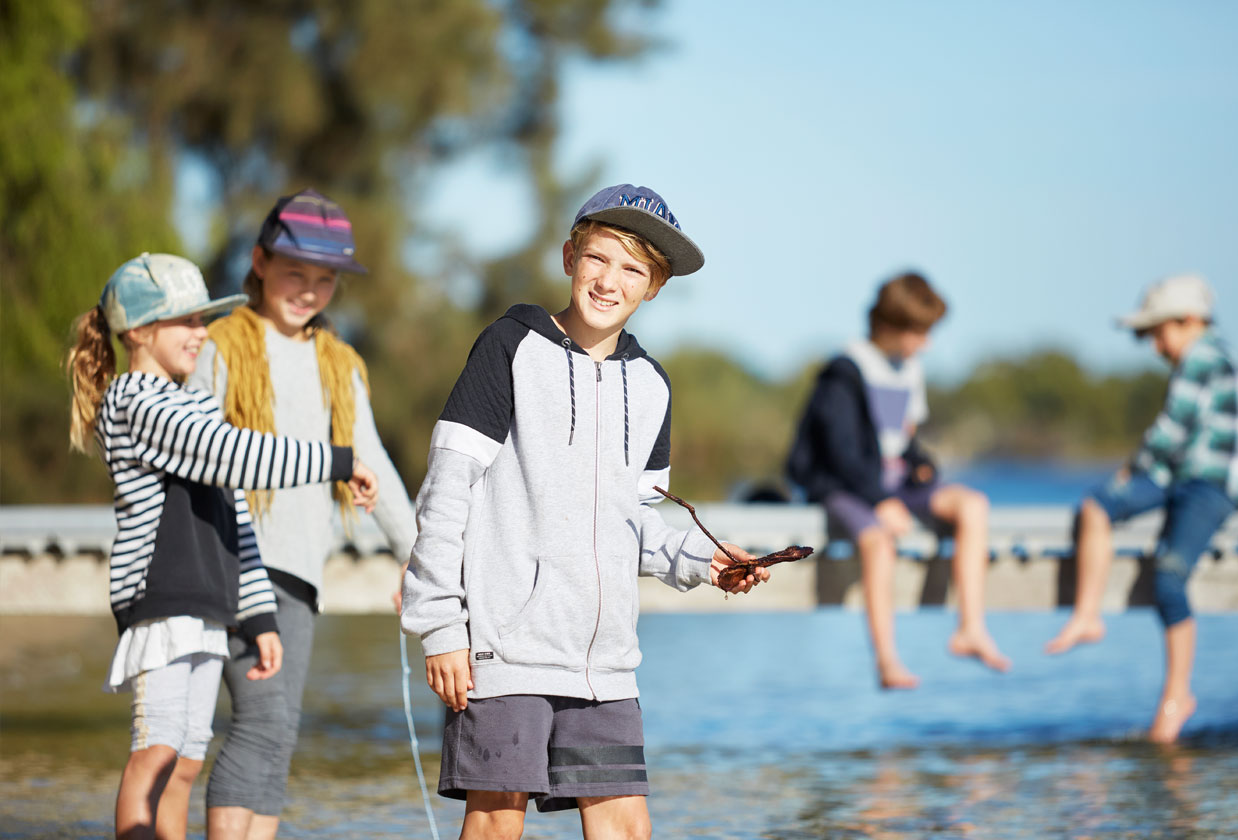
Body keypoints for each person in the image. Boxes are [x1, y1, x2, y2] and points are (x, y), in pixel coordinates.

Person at [400, 184, 768, 840]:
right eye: (598, 258)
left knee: (627, 827)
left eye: (633, 269)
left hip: (605, 663)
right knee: (494, 824)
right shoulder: (509, 344)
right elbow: (446, 490)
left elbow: (639, 522)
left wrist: (705, 560)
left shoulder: (652, 385)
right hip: (502, 650)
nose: (610, 280)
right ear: (570, 256)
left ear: (653, 287)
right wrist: (440, 628)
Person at [66, 252, 378, 840]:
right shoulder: (135, 402)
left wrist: (257, 613)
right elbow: (234, 453)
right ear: (137, 331)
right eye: (185, 321)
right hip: (159, 600)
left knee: (186, 760)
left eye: (202, 321)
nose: (200, 334)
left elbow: (234, 517)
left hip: (208, 604)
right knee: (155, 750)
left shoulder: (193, 404)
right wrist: (338, 460)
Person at [186, 189, 417, 840]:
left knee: (280, 733)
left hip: (300, 572)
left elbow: (372, 461)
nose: (309, 290)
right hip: (233, 560)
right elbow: (198, 454)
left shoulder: (340, 364)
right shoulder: (221, 344)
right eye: (294, 272)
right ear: (259, 261)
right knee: (258, 721)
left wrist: (419, 559)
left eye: (325, 280)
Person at [1046, 273, 1238, 743]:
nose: (1155, 345)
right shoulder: (1195, 359)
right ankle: (1087, 615)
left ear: (1189, 321)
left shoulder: (1205, 357)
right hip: (1179, 476)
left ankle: (1177, 695)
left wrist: (1130, 469)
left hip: (1212, 481)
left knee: (1168, 572)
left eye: (1159, 332)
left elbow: (1172, 429)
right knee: (1096, 506)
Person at [786, 272, 1010, 690]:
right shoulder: (845, 371)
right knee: (876, 541)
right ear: (889, 326)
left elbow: (902, 438)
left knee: (973, 505)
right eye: (919, 332)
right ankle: (887, 662)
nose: (925, 343)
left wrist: (921, 464)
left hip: (894, 482)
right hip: (845, 484)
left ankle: (972, 628)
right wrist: (879, 500)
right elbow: (840, 452)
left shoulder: (910, 369)